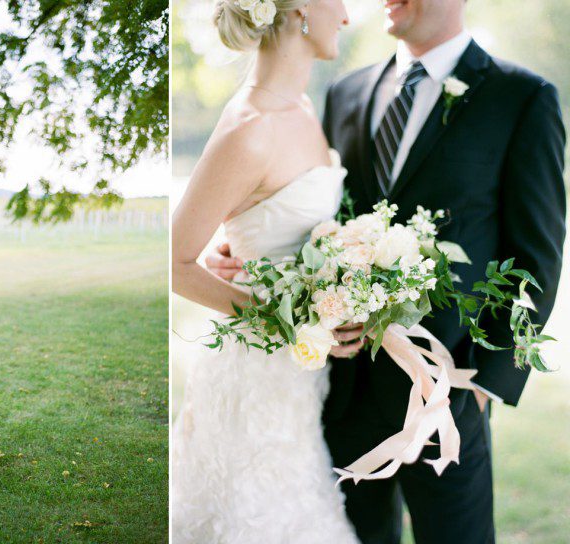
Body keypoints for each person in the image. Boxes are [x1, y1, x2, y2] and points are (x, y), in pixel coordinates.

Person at [204, 0, 566, 542]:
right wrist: (233, 246)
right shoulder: (345, 92)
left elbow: (536, 254)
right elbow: (309, 216)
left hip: (447, 395)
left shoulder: (522, 98)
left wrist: (484, 385)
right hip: (342, 390)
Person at [172, 1, 359, 542]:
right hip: (253, 369)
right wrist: (290, 320)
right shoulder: (248, 127)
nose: (346, 15)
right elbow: (176, 262)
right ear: (301, 9)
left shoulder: (301, 107)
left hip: (299, 378)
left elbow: (274, 222)